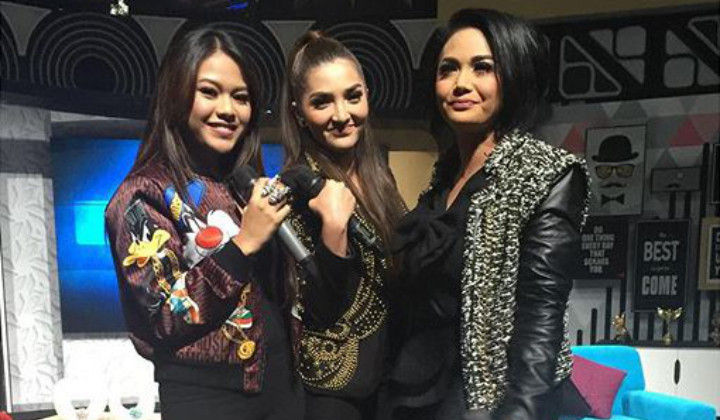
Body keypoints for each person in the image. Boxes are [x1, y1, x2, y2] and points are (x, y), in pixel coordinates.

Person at [390, 8, 592, 420]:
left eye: (482, 67)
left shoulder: (544, 172)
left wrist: (520, 411)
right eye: (448, 69)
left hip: (488, 399)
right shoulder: (441, 182)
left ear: (514, 76)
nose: (460, 83)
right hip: (418, 388)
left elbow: (541, 316)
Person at [105, 27, 303, 420]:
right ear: (177, 95)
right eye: (209, 92)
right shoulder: (143, 194)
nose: (228, 109)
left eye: (241, 97)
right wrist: (242, 245)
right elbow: (163, 316)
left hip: (283, 385)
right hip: (206, 398)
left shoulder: (245, 184)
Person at [279, 31, 406, 420]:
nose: (341, 114)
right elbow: (319, 309)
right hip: (331, 391)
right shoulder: (295, 187)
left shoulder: (379, 176)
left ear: (367, 94)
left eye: (352, 96)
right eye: (322, 102)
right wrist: (333, 229)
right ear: (299, 113)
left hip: (387, 380)